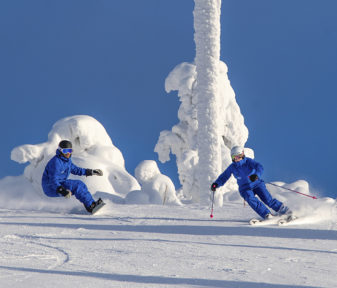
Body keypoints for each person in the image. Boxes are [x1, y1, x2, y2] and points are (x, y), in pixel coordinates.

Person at [210, 146, 290, 219]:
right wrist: (216, 184)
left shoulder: (248, 161)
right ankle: (267, 214)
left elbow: (259, 167)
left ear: (243, 154)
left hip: (257, 184)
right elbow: (224, 176)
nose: (237, 158)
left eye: (239, 156)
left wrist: (256, 175)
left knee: (267, 199)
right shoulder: (232, 167)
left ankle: (283, 210)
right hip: (244, 188)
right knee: (250, 198)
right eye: (234, 157)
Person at [42, 140, 104, 213]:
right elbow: (53, 180)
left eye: (70, 150)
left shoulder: (67, 161)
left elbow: (76, 170)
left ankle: (91, 205)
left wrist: (91, 172)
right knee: (77, 185)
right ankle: (90, 206)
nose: (68, 153)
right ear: (60, 151)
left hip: (60, 183)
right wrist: (62, 190)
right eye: (65, 151)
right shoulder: (56, 162)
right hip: (51, 187)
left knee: (80, 184)